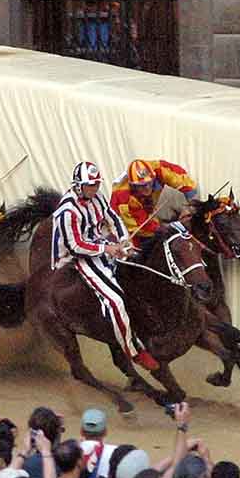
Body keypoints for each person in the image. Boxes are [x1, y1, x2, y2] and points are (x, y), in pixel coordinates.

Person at [51, 161, 159, 372]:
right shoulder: (67, 212)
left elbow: (113, 218)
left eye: (97, 185)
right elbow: (76, 246)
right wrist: (108, 249)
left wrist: (124, 241)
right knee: (115, 300)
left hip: (99, 243)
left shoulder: (97, 197)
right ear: (78, 185)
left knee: (136, 265)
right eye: (90, 185)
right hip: (74, 258)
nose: (95, 189)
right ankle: (133, 351)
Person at [109, 159, 198, 239]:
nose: (147, 188)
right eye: (142, 186)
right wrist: (170, 227)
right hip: (128, 225)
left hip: (148, 212)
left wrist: (190, 207)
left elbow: (185, 182)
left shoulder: (159, 169)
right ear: (133, 185)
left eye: (150, 183)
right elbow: (141, 226)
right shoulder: (122, 198)